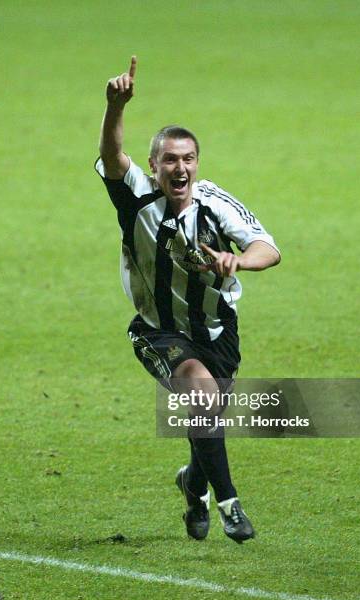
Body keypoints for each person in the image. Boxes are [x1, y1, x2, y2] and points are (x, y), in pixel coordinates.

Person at [95, 56, 281, 543]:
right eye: (169, 160)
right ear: (153, 164)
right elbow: (113, 158)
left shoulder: (217, 203)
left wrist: (238, 262)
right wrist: (115, 107)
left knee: (208, 420)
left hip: (217, 332)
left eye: (187, 159)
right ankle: (230, 505)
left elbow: (269, 248)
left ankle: (192, 486)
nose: (179, 167)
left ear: (197, 164)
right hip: (158, 330)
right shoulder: (135, 196)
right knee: (203, 397)